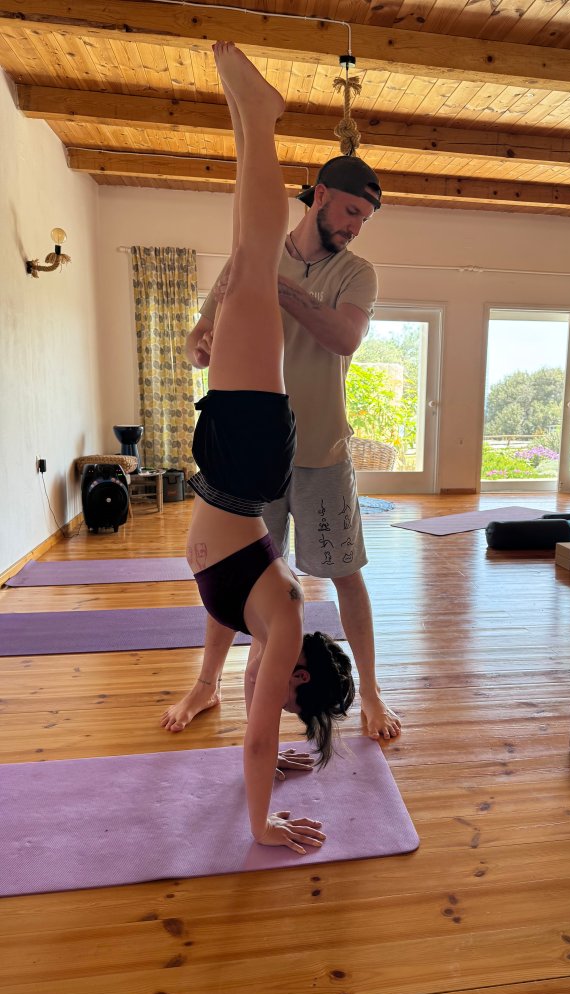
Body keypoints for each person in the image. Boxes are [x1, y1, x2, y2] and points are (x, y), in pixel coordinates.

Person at [180, 40, 354, 854]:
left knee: (250, 262)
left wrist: (278, 763)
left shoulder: (274, 639)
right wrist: (261, 826)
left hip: (235, 466)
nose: (278, 708)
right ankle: (257, 116)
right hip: (244, 460)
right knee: (254, 263)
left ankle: (247, 120)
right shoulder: (283, 618)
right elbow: (254, 736)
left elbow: (259, 720)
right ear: (300, 674)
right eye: (296, 704)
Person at [166, 147, 400, 742]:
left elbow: (344, 337)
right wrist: (201, 346)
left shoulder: (357, 273)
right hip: (253, 457)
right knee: (236, 578)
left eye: (364, 220)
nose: (355, 227)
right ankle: (208, 682)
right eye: (350, 212)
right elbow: (197, 338)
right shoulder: (251, 256)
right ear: (319, 196)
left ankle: (373, 692)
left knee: (345, 575)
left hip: (322, 454)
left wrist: (275, 286)